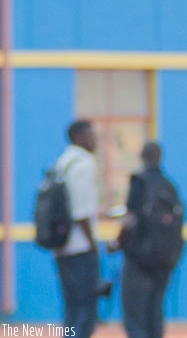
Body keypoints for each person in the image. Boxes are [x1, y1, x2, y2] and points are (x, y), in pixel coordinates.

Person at [109, 141, 182, 338]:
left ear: (142, 157)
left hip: (139, 259)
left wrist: (117, 242)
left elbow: (130, 219)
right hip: (164, 260)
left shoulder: (139, 182)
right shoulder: (169, 186)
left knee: (135, 317)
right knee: (155, 313)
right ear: (159, 157)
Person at [54, 120, 101, 338]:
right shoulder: (84, 164)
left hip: (62, 248)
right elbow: (81, 213)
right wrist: (93, 247)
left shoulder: (62, 163)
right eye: (91, 135)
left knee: (71, 308)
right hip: (80, 248)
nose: (95, 140)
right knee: (86, 310)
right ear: (79, 137)